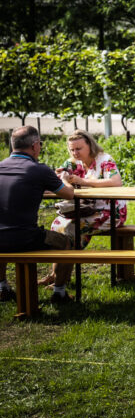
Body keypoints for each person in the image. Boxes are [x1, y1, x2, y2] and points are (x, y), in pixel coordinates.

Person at [38, 131, 128, 296]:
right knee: (57, 225)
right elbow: (61, 184)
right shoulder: (71, 163)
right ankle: (57, 276)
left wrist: (83, 181)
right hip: (82, 210)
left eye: (79, 148)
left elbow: (116, 182)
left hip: (109, 211)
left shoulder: (105, 160)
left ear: (90, 145)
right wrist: (60, 177)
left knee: (71, 231)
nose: (75, 153)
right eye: (72, 149)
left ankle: (60, 281)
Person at [0, 127, 75, 304]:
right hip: (25, 238)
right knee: (67, 243)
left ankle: (3, 288)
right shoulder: (38, 169)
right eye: (40, 144)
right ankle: (60, 292)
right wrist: (64, 178)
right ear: (35, 146)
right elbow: (69, 194)